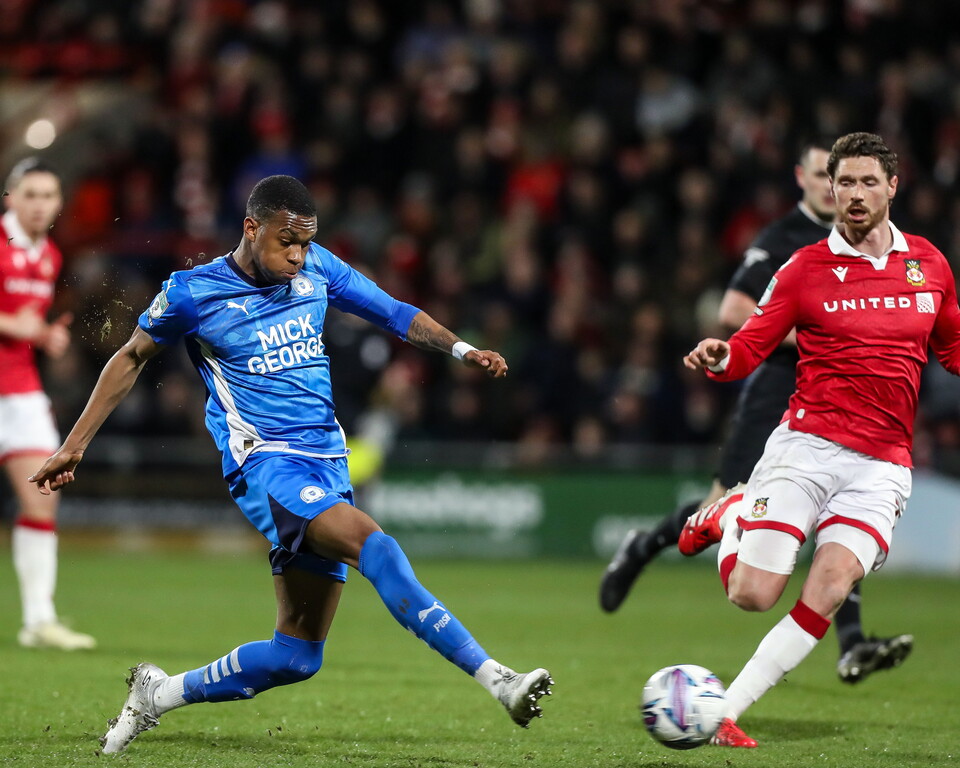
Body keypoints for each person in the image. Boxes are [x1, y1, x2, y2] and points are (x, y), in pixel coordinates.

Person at [29, 175, 553, 754]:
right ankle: (497, 679)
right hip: (268, 465)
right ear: (251, 228)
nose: (297, 256)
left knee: (297, 655)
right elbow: (129, 359)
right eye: (287, 242)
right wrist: (75, 443)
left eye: (306, 243)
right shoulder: (192, 293)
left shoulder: (317, 269)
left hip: (327, 462)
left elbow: (395, 313)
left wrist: (461, 349)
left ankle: (157, 693)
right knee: (375, 547)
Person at [680, 132, 960, 747]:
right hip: (807, 447)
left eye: (867, 182)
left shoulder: (930, 265)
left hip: (882, 465)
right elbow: (749, 344)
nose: (855, 195)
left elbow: (952, 346)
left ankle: (724, 711)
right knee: (752, 595)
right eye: (845, 183)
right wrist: (719, 357)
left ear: (893, 186)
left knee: (830, 589)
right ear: (829, 189)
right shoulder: (805, 268)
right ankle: (729, 511)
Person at [599, 140, 913, 684]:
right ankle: (646, 543)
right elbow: (734, 309)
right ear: (806, 179)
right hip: (775, 387)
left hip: (846, 402)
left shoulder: (878, 245)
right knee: (728, 502)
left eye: (839, 177)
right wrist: (825, 331)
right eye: (823, 176)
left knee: (843, 511)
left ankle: (852, 641)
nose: (830, 186)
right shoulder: (784, 240)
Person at [0, 158, 94, 651]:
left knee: (43, 492)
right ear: (10, 197)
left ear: (59, 204)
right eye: (29, 194)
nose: (39, 204)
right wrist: (26, 328)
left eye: (48, 196)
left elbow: (23, 326)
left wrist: (45, 340)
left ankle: (38, 619)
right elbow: (17, 322)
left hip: (18, 391)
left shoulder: (49, 256)